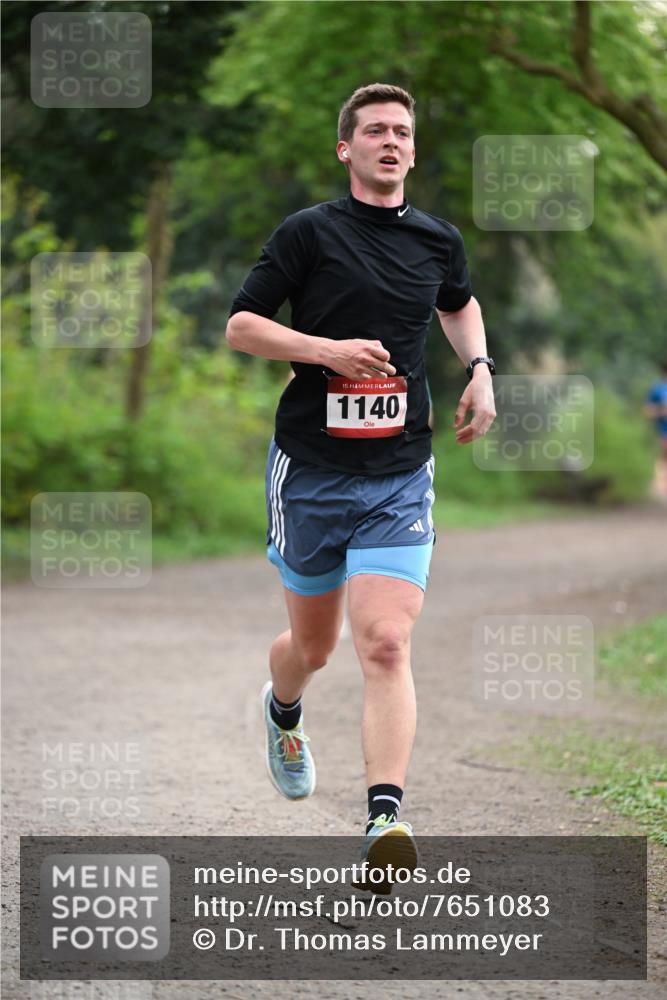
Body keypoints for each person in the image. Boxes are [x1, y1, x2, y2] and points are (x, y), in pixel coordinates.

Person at [226, 83, 496, 888]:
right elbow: (242, 326)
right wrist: (324, 352)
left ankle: (384, 820)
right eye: (373, 130)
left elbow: (459, 302)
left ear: (412, 151)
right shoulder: (308, 232)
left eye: (401, 132)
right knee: (314, 646)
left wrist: (479, 370)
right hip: (309, 470)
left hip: (398, 473)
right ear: (346, 148)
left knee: (384, 640)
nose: (389, 140)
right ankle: (283, 712)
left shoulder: (437, 240)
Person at [644, 359, 667, 501]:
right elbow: (648, 412)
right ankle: (660, 485)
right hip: (663, 431)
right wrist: (662, 411)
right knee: (663, 457)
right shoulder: (657, 389)